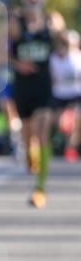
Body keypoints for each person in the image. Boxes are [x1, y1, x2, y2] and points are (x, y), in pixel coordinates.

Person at [9, 0, 65, 207]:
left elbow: (64, 46)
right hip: (23, 87)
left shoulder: (53, 19)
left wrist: (60, 39)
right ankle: (31, 155)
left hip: (45, 86)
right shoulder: (15, 22)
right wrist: (17, 64)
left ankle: (40, 188)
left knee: (43, 133)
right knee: (29, 136)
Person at [49, 28, 81, 162]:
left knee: (75, 121)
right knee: (61, 122)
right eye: (64, 43)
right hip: (59, 94)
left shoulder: (78, 56)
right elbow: (51, 78)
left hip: (76, 93)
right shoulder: (53, 58)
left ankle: (70, 147)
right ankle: (61, 140)